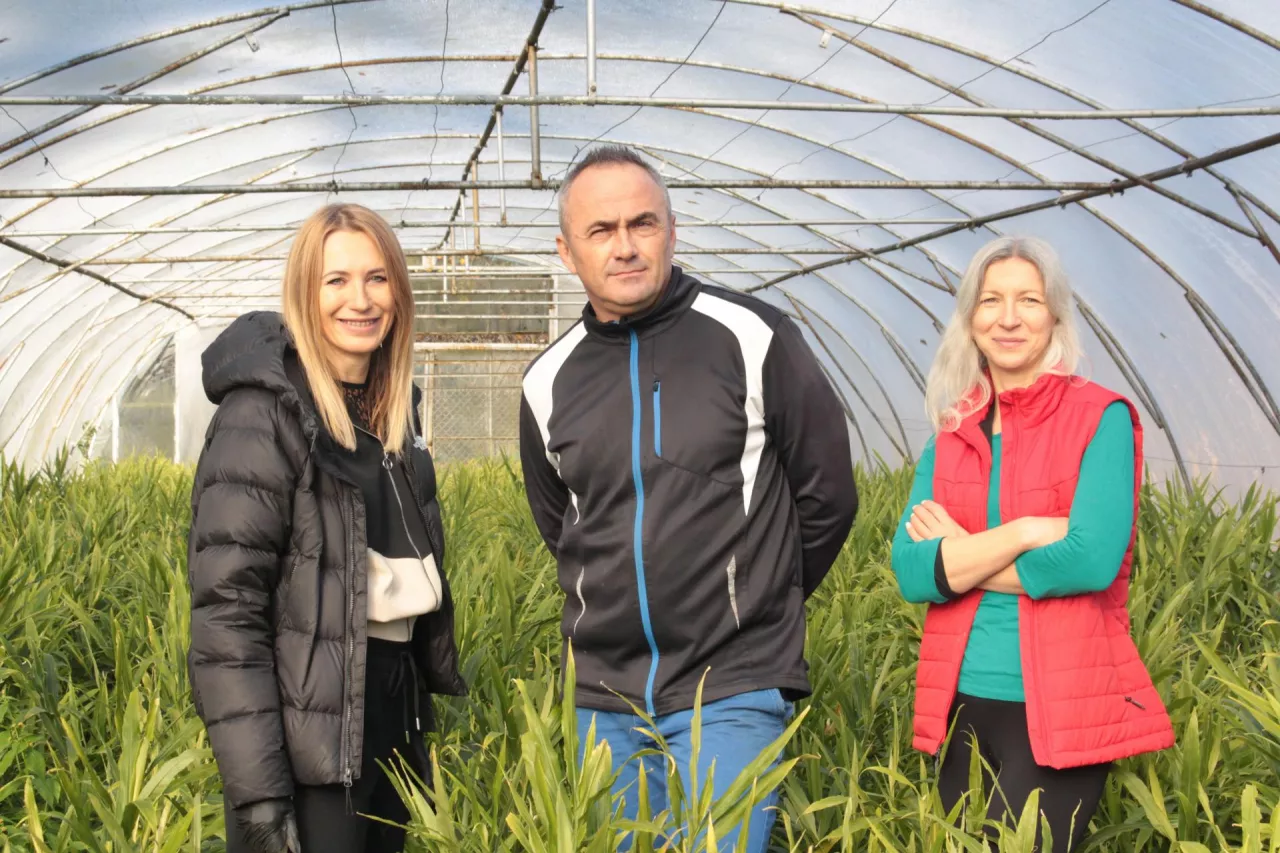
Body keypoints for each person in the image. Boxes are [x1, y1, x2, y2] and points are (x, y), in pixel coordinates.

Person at [518, 144, 859, 852]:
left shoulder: (753, 337)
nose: (625, 247)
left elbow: (828, 494)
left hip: (731, 681)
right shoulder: (547, 381)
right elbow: (565, 523)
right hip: (603, 694)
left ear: (672, 229)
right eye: (601, 231)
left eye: (642, 224)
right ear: (566, 250)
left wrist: (756, 600)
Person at [186, 203, 466, 853]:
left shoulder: (395, 419)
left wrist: (414, 727)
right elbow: (228, 614)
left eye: (377, 277)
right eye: (335, 280)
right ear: (303, 293)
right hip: (309, 735)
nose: (359, 299)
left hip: (389, 714)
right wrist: (258, 790)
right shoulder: (264, 415)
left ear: (398, 289)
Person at [890, 235, 1174, 852]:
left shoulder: (1100, 417)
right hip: (961, 694)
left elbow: (1089, 560)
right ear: (970, 317)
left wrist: (960, 557)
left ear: (1055, 317)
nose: (1009, 317)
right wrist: (1019, 534)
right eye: (991, 300)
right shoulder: (951, 432)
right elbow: (912, 572)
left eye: (1029, 300)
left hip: (1060, 704)